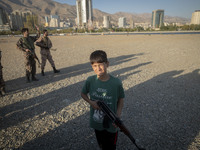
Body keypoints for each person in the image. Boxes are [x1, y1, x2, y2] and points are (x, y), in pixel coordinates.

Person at [81, 50, 125, 150]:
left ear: (107, 64)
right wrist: (91, 102)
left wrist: (117, 116)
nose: (98, 68)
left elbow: (121, 99)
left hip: (112, 121)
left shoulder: (116, 83)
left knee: (111, 146)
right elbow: (83, 93)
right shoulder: (90, 80)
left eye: (100, 65)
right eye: (94, 66)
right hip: (97, 121)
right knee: (101, 144)